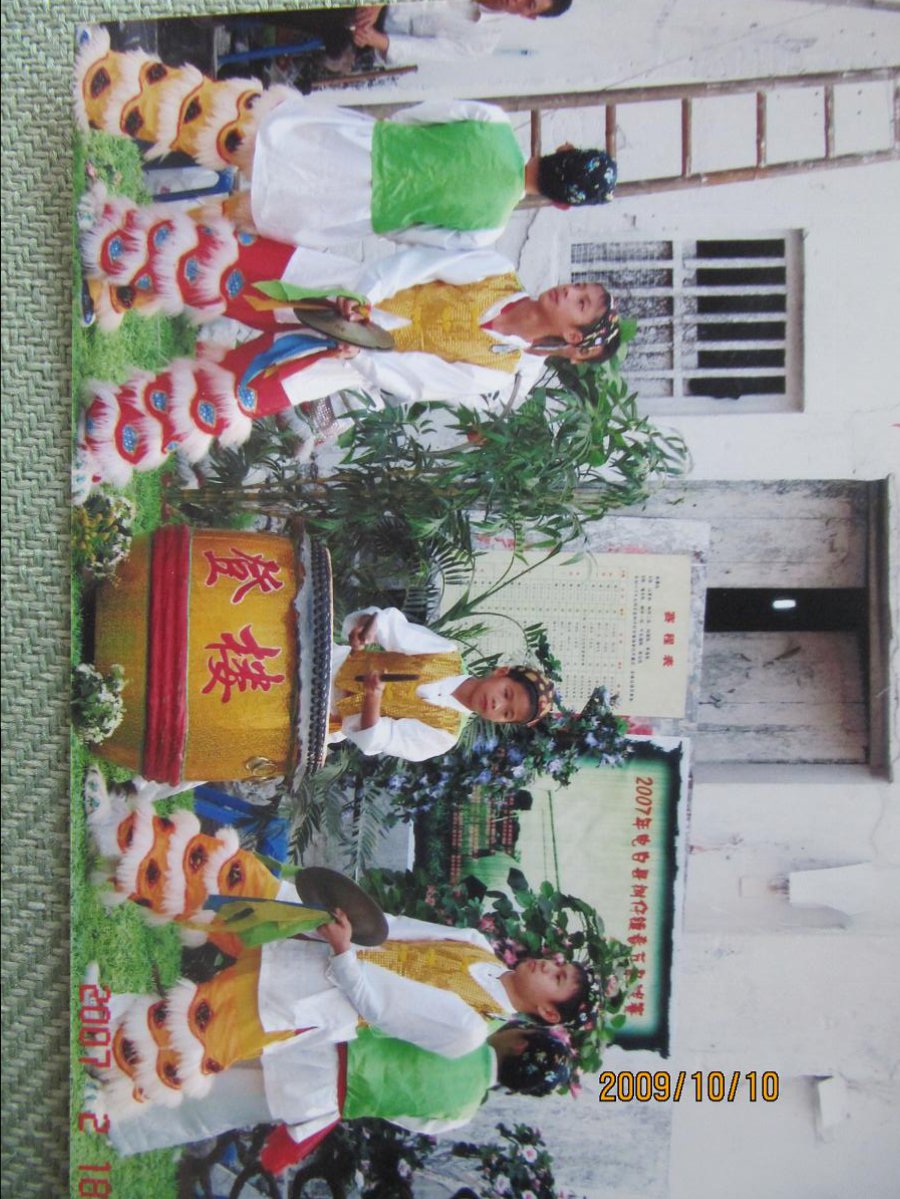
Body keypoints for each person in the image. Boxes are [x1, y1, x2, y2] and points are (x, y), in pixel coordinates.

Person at [76, 198, 621, 490]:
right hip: (333, 289)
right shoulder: (497, 272)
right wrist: (364, 298)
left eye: (580, 303)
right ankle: (108, 235)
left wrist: (360, 356)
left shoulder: (498, 370)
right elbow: (418, 264)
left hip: (341, 360)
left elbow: (420, 381)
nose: (567, 290)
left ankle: (105, 437)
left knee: (229, 400)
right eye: (579, 287)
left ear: (574, 337)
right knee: (222, 263)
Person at [89, 905, 596, 1129]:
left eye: (557, 977)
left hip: (322, 998)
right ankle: (109, 1017)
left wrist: (344, 953)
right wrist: (344, 926)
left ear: (547, 1012)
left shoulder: (469, 1030)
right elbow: (395, 928)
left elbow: (382, 1008)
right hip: (324, 954)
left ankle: (116, 1086)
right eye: (557, 963)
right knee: (210, 997)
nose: (547, 965)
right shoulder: (477, 945)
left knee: (211, 1032)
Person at [222, 96, 616, 250]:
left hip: (362, 145)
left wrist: (396, 140)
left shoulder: (493, 121)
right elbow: (410, 234)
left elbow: (419, 114)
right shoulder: (488, 230)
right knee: (250, 209)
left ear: (564, 149)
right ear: (560, 204)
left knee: (253, 143)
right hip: (356, 208)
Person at [277, 1, 574, 69]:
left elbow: (419, 50)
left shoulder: (482, 40)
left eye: (529, 3)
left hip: (377, 30)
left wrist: (373, 38)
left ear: (529, 15)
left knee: (339, 31)